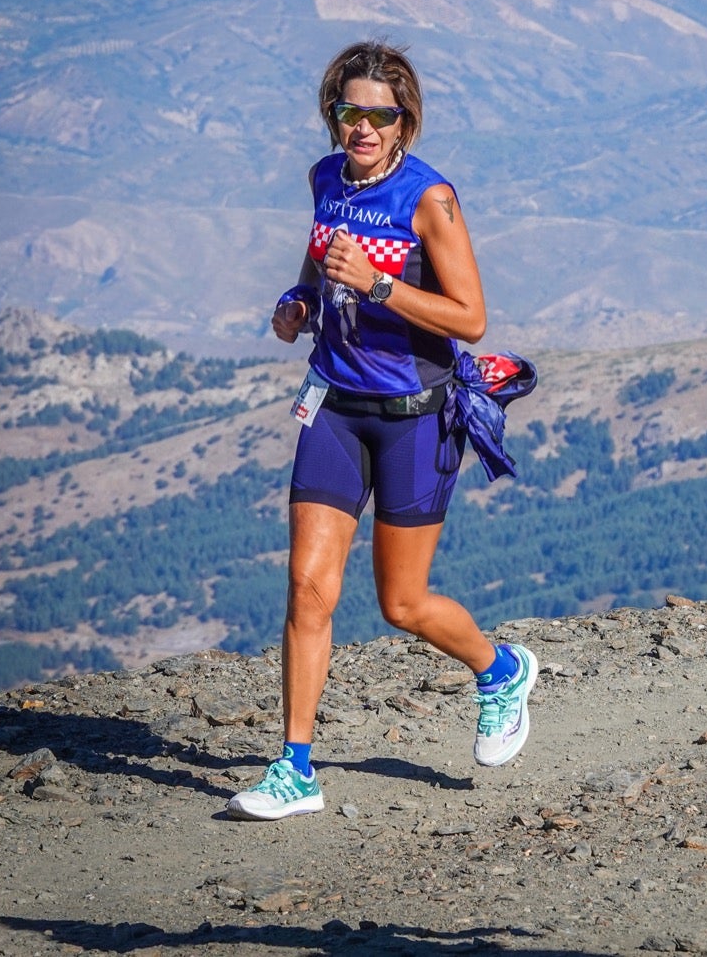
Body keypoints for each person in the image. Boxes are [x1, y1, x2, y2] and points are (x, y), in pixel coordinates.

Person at [228, 40, 537, 821]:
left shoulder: (430, 199)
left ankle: (501, 670)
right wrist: (297, 304)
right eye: (349, 112)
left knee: (401, 603)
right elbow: (318, 265)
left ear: (405, 122)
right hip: (334, 407)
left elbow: (470, 317)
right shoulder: (325, 179)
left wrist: (380, 286)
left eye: (380, 116)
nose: (363, 128)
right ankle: (295, 769)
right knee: (307, 588)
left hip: (414, 418)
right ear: (332, 115)